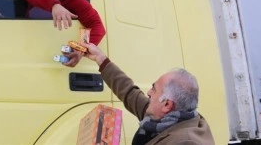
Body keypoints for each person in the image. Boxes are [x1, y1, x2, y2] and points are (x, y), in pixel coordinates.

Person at [81, 42, 215, 145]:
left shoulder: (185, 142)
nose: (149, 92)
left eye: (154, 89)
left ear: (167, 104)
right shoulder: (165, 116)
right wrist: (101, 59)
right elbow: (129, 92)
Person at [21, 0, 106, 67]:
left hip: (53, 57)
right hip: (26, 45)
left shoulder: (76, 0)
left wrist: (80, 50)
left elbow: (97, 26)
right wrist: (54, 5)